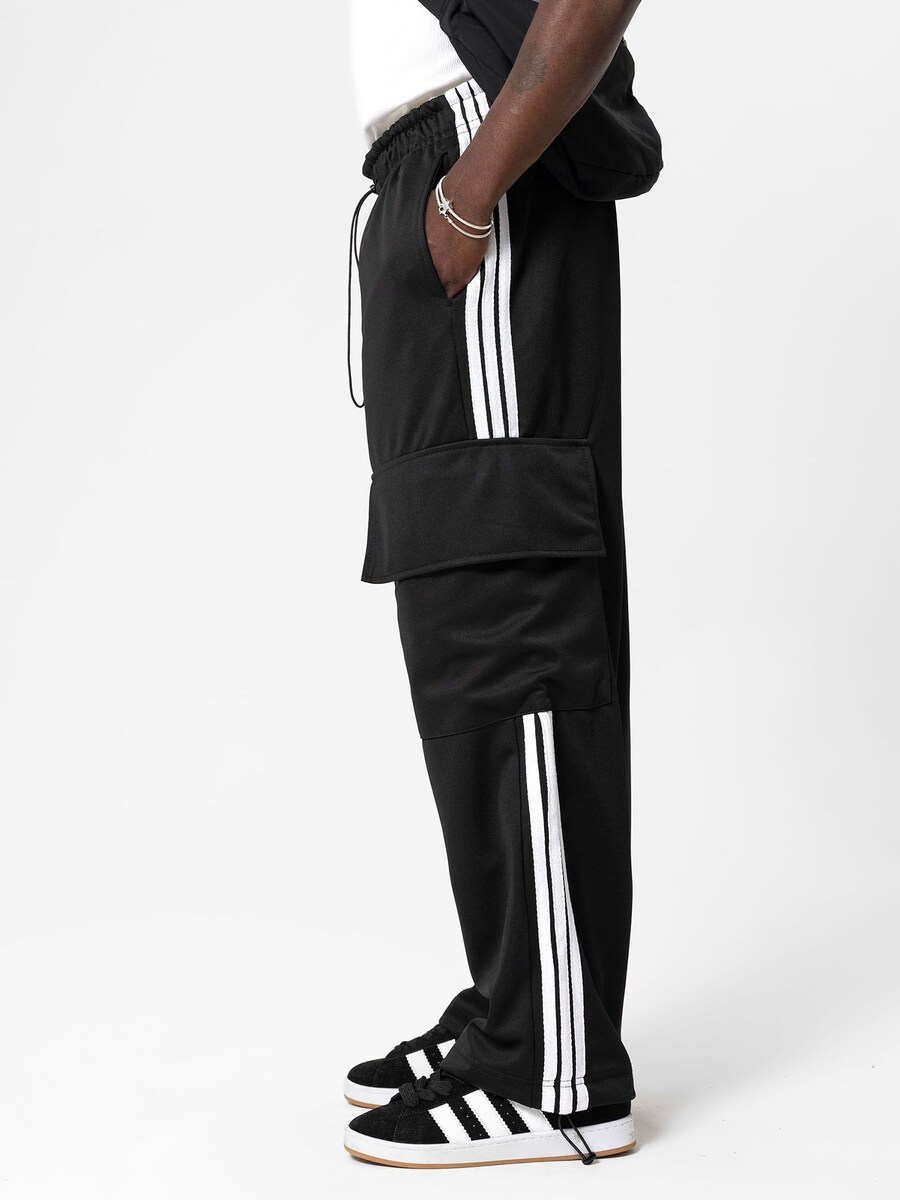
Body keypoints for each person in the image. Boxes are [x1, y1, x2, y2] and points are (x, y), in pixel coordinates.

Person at [342, 0, 661, 1169]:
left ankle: (552, 1069)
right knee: (461, 590)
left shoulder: (474, 182)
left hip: (481, 165)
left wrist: (469, 191)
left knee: (511, 599)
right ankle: (515, 1001)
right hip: (435, 167)